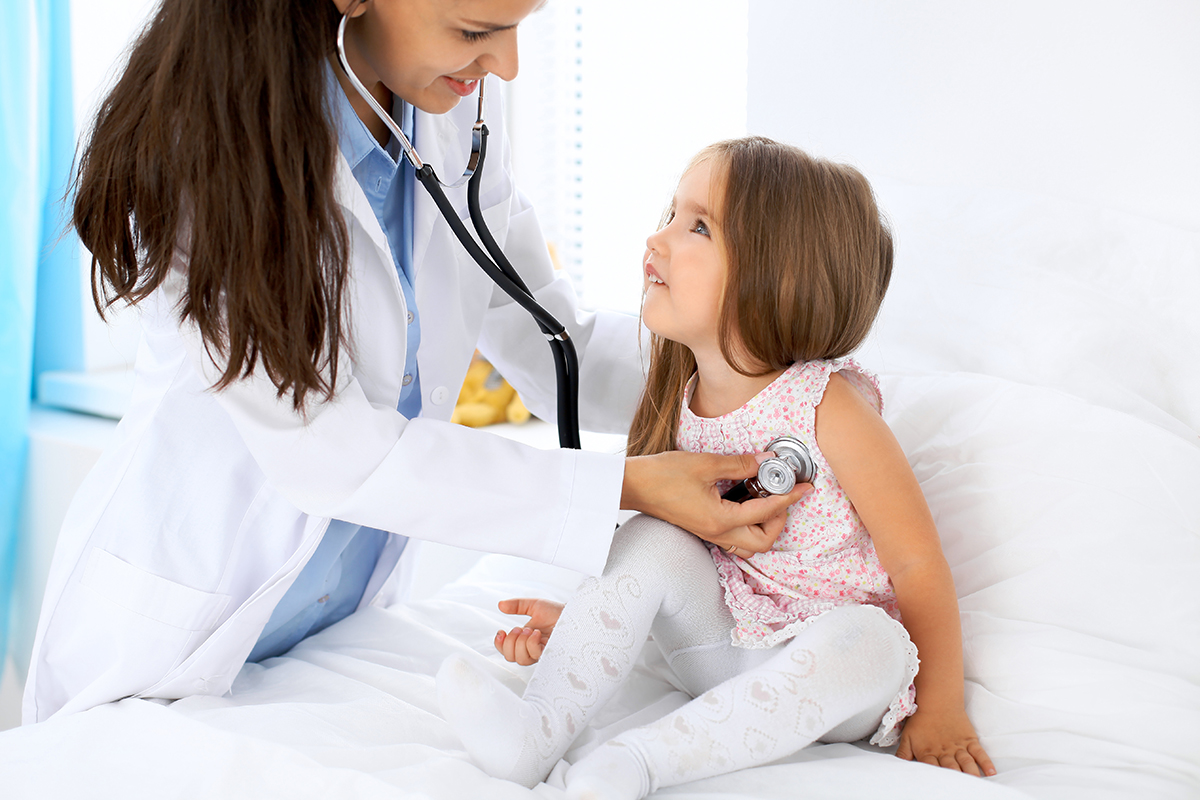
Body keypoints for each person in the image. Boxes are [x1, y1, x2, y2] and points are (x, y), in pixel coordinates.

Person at [22, 1, 807, 724]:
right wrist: (632, 485)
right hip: (180, 630)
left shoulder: (446, 106)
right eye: (474, 31)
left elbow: (539, 322)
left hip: (334, 625)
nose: (506, 66)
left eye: (517, 25)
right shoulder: (207, 154)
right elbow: (326, 449)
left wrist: (755, 386)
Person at [436, 137, 997, 798]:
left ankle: (640, 762)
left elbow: (917, 565)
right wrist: (595, 628)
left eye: (697, 225)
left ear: (781, 277)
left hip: (824, 670)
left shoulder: (831, 408)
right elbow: (685, 564)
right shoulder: (681, 393)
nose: (659, 237)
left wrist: (940, 708)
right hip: (722, 644)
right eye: (670, 214)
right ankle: (535, 732)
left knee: (874, 641)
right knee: (650, 534)